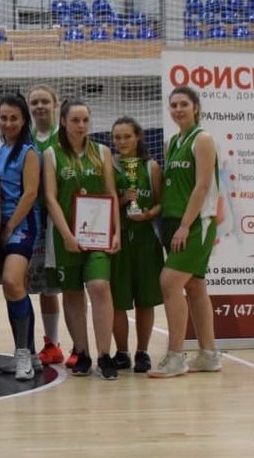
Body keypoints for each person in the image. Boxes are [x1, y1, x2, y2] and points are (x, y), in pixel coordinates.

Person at [42, 99, 122, 380]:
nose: (81, 125)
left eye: (85, 120)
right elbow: (50, 198)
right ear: (63, 121)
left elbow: (111, 193)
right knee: (72, 293)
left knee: (99, 286)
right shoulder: (51, 154)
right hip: (65, 236)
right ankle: (83, 352)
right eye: (75, 120)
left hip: (98, 235)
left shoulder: (102, 152)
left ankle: (105, 355)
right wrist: (66, 235)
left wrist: (116, 231)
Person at [148, 85, 223, 378]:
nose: (178, 109)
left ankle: (176, 356)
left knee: (169, 283)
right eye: (174, 105)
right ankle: (209, 354)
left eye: (183, 104)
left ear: (196, 107)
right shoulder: (172, 142)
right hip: (172, 221)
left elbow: (202, 186)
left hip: (194, 224)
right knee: (195, 287)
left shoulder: (203, 139)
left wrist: (184, 225)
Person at [0, 94, 42, 381]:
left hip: (22, 225)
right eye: (4, 118)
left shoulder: (29, 152)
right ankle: (29, 353)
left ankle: (23, 353)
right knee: (14, 288)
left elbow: (30, 192)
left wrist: (9, 226)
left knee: (11, 281)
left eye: (14, 118)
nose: (8, 123)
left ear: (24, 120)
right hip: (2, 226)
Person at [109, 116, 164, 373]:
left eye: (127, 136)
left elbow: (161, 203)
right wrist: (123, 200)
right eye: (117, 137)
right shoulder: (109, 166)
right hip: (119, 239)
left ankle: (142, 352)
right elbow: (104, 202)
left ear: (138, 137)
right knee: (117, 301)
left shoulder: (151, 167)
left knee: (145, 300)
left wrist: (148, 214)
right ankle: (122, 353)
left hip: (146, 240)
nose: (122, 142)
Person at [26, 85, 67, 367]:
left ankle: (73, 345)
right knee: (41, 285)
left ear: (55, 104)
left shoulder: (63, 138)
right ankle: (49, 344)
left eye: (44, 101)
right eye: (35, 102)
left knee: (66, 285)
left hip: (60, 219)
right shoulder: (26, 139)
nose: (39, 106)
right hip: (33, 221)